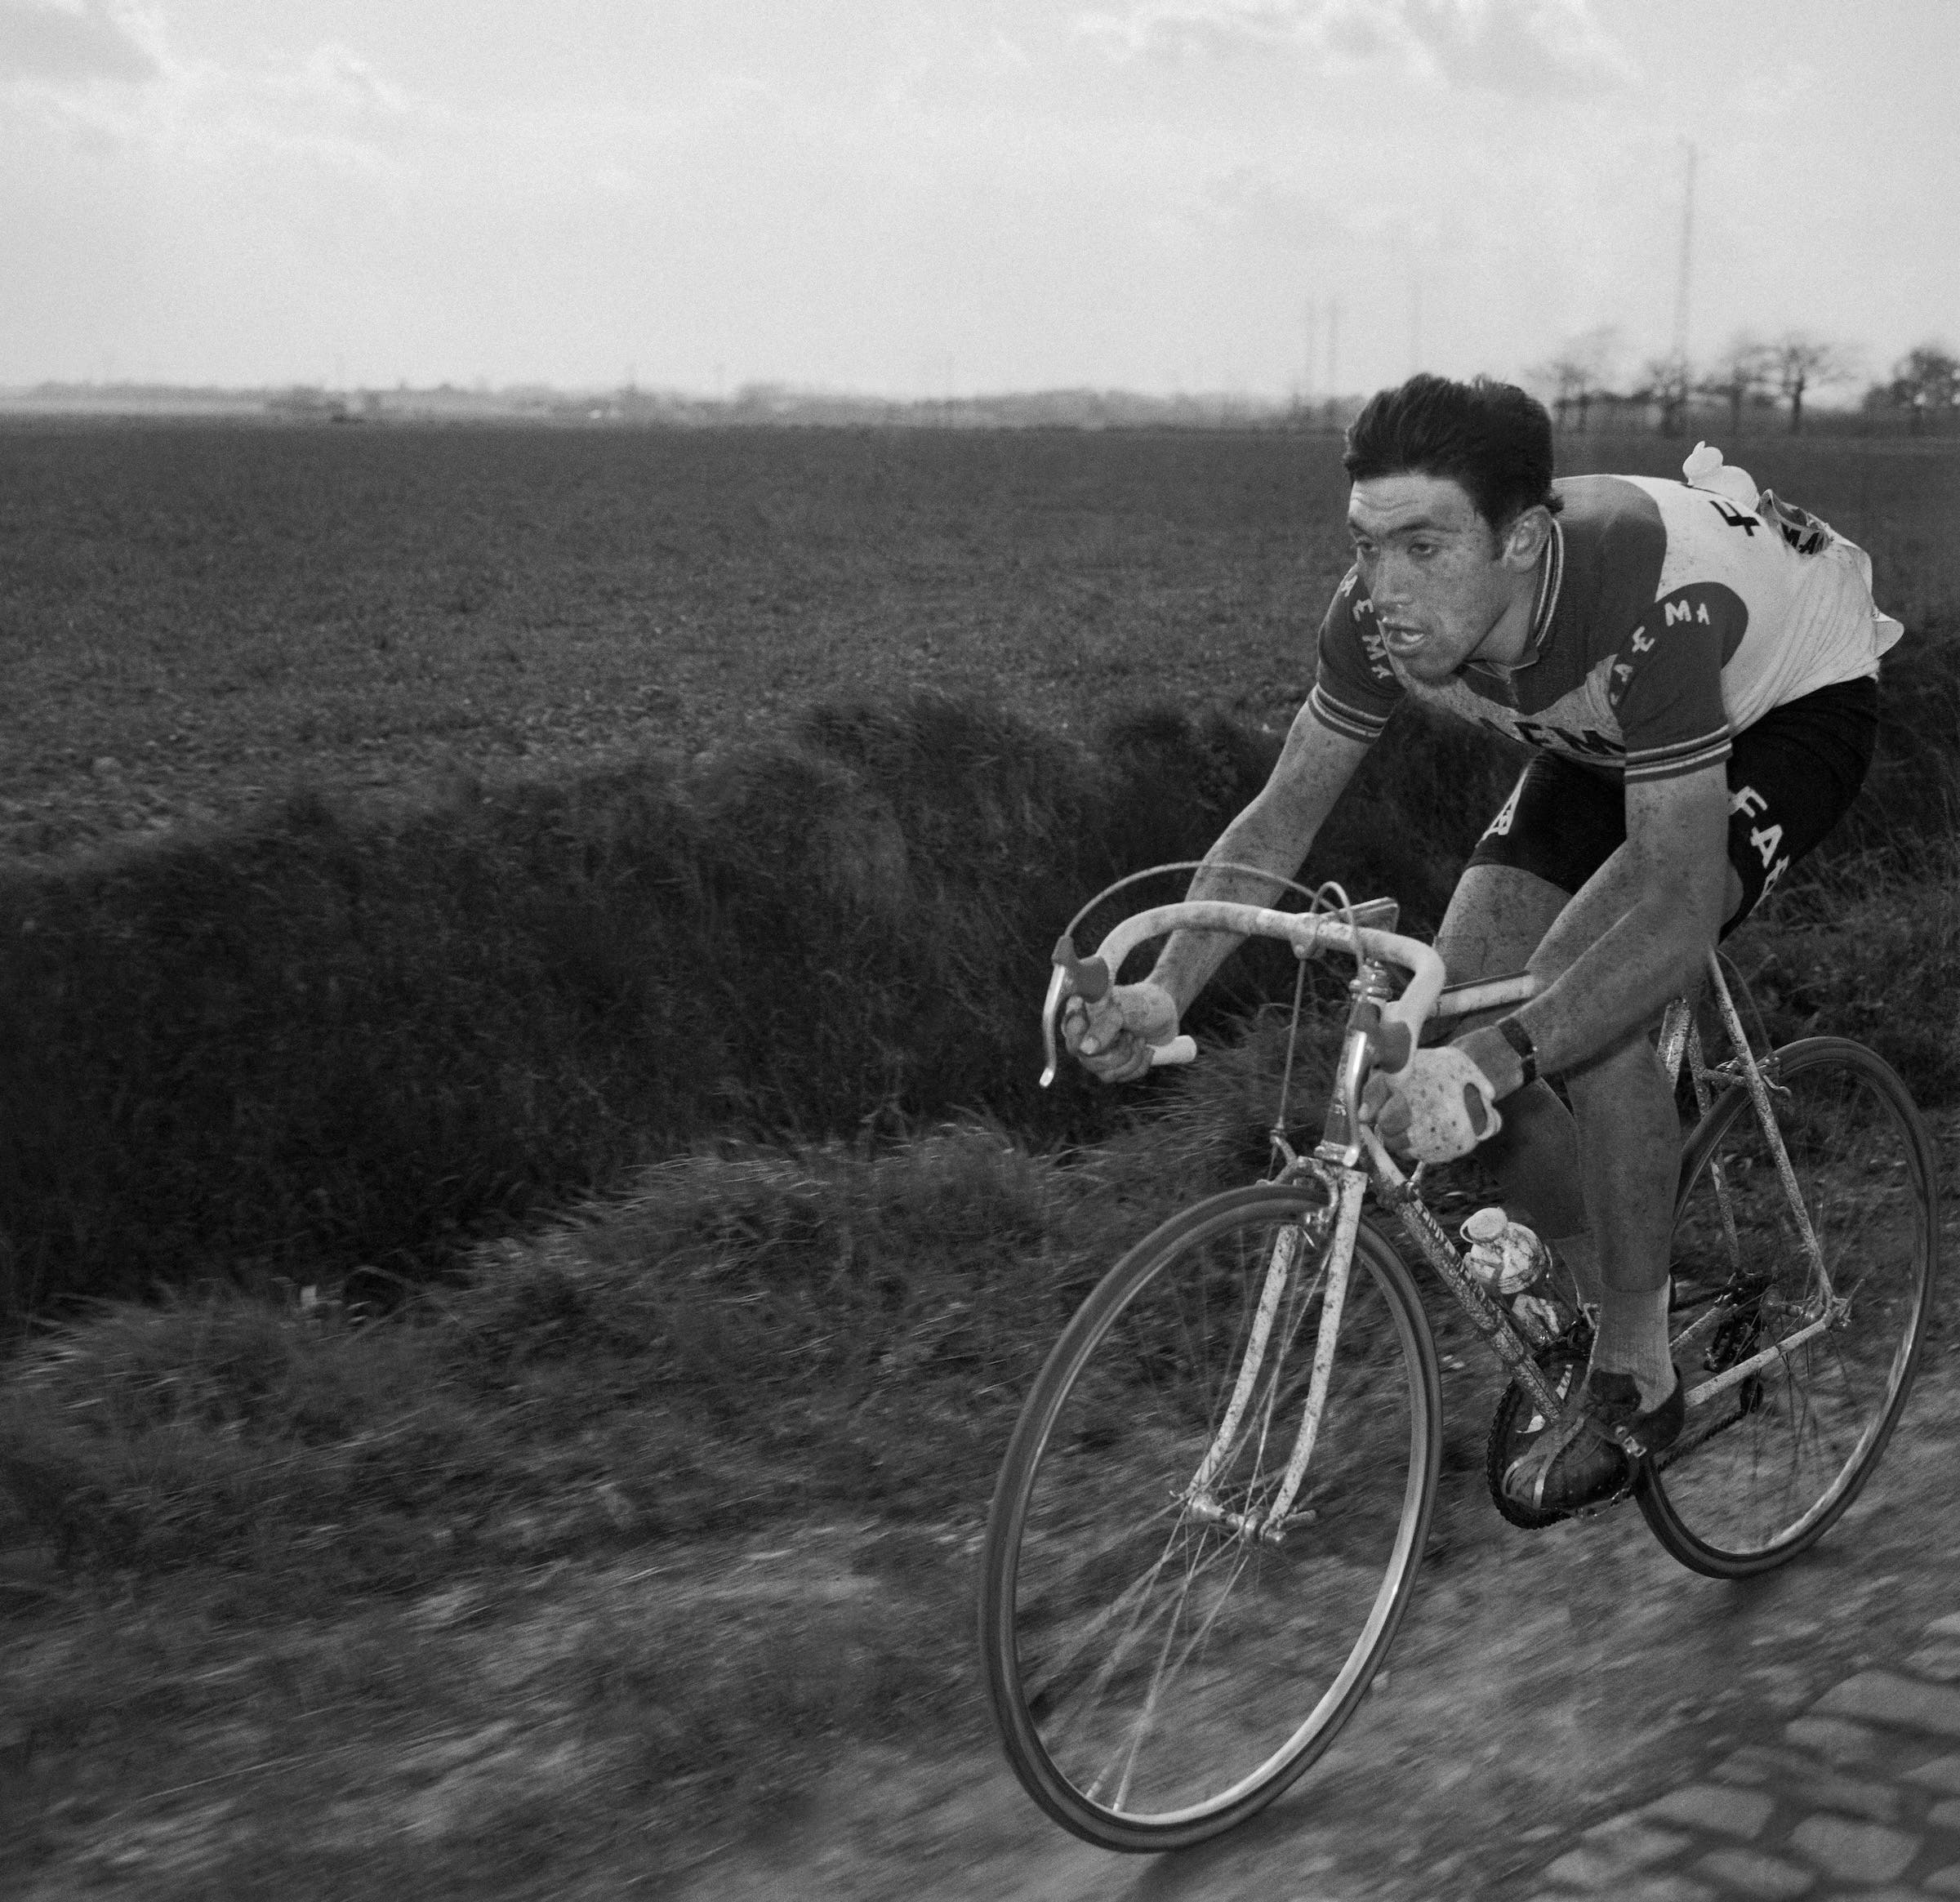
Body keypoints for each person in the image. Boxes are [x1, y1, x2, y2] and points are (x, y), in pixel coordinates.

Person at [1063, 372, 1902, 1512]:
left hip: (1785, 707)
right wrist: (1166, 989)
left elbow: (1666, 912)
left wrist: (1505, 1058)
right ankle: (1606, 1284)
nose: (1384, 588)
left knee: (1574, 1008)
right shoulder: (1377, 619)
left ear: (1522, 541)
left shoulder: (1650, 604)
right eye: (1365, 547)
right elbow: (1280, 815)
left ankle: (1642, 1376)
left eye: (1422, 548)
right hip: (1609, 730)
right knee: (1453, 1010)